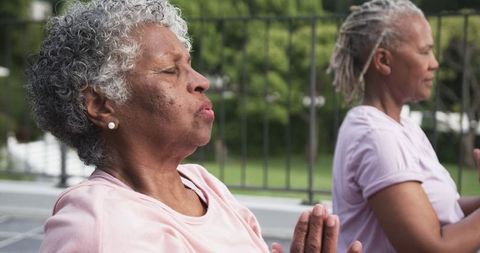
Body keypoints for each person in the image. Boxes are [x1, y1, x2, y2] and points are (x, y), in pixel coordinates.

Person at [26, 0, 363, 252]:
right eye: (170, 71)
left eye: (190, 65)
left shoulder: (203, 184)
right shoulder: (95, 226)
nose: (201, 81)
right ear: (101, 104)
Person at [328, 0, 480, 252]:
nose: (435, 63)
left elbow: (443, 211)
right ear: (384, 61)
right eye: (424, 51)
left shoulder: (404, 128)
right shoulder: (376, 135)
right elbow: (430, 247)